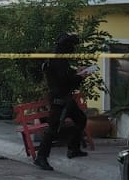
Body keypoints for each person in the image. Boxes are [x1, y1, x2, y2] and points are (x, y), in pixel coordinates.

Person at [33, 32, 90, 172]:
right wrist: (81, 77)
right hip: (60, 99)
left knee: (81, 119)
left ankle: (73, 148)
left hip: (65, 98)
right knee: (53, 129)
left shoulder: (59, 59)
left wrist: (77, 72)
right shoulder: (58, 60)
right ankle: (41, 157)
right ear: (67, 46)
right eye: (72, 46)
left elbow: (66, 74)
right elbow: (65, 80)